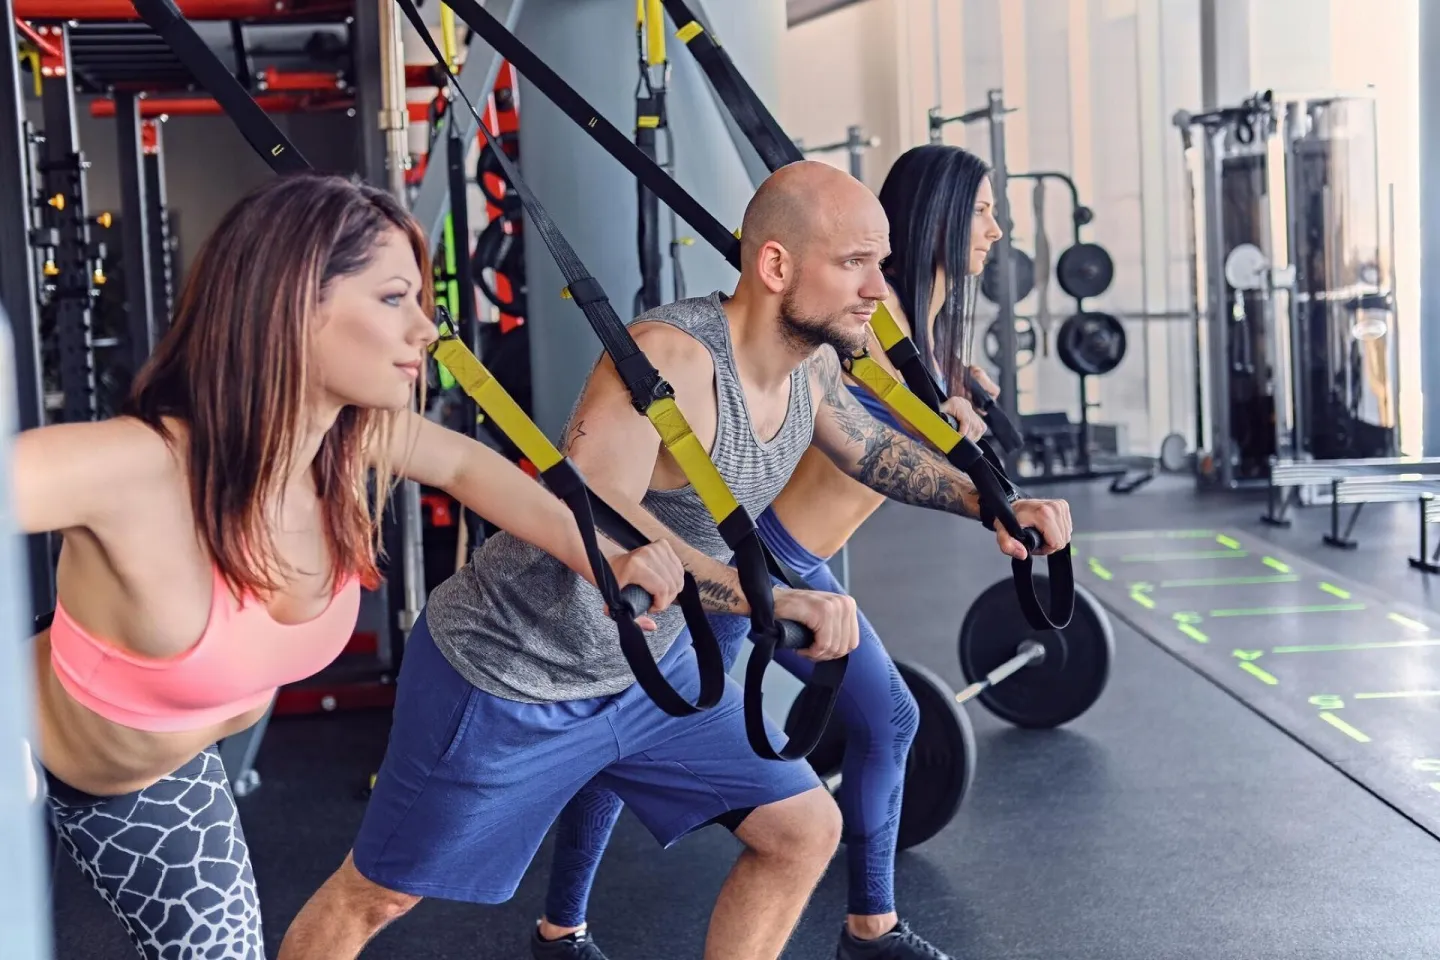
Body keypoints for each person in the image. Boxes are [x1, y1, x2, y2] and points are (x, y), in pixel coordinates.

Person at [275, 159, 1070, 960]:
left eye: (879, 262)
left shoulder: (814, 363)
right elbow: (596, 510)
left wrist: (992, 504)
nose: (876, 285)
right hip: (513, 672)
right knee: (377, 897)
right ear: (776, 266)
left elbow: (869, 451)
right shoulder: (670, 358)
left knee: (800, 830)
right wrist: (768, 598)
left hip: (648, 671)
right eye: (855, 263)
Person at [14, 172, 683, 960]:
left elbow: (470, 470)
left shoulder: (346, 445)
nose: (427, 333)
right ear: (294, 302)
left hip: (154, 784)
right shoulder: (135, 466)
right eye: (395, 298)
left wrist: (602, 559)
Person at [534, 144, 1006, 960]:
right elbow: (858, 428)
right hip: (767, 553)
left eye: (873, 261)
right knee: (633, 725)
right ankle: (563, 927)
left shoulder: (900, 328)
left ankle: (867, 928)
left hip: (794, 559)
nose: (999, 230)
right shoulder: (860, 317)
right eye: (985, 210)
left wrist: (970, 451)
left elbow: (869, 415)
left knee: (878, 720)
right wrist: (951, 437)